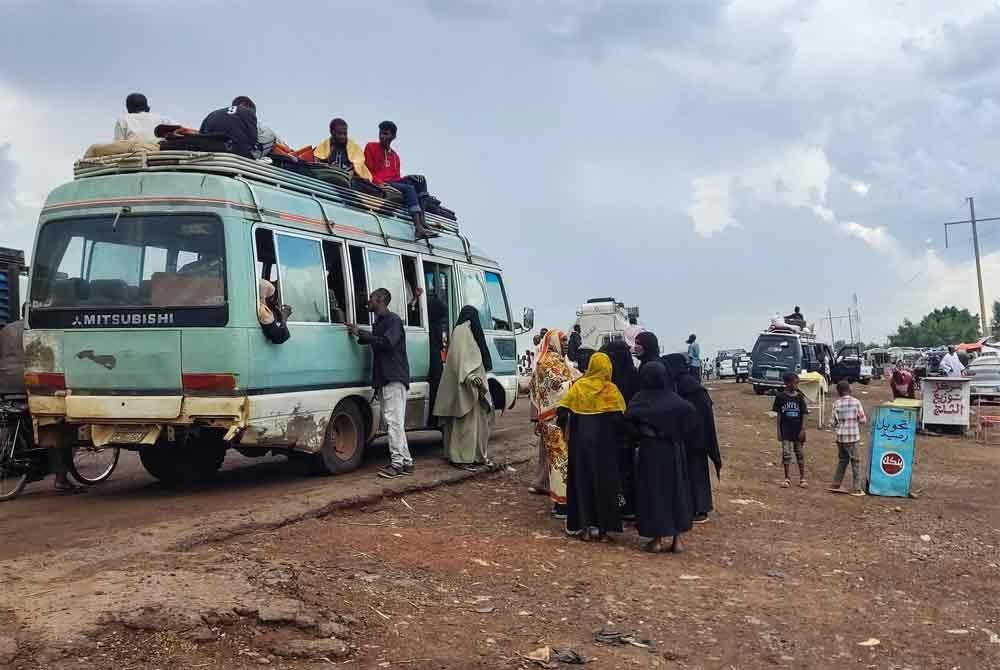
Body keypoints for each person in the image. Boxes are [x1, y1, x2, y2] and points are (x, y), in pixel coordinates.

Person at [0, 320, 81, 494]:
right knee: (58, 424)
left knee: (13, 416)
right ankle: (61, 480)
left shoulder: (7, 329)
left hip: (6, 384)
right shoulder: (41, 328)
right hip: (31, 382)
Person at [625, 362, 697, 554]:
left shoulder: (641, 399)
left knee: (654, 492)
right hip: (674, 450)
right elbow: (690, 414)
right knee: (676, 490)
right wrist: (676, 433)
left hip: (651, 451)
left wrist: (644, 432)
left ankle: (656, 540)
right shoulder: (675, 400)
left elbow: (629, 420)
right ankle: (677, 540)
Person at [556, 353, 626, 541]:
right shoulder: (610, 390)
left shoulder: (579, 387)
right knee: (605, 485)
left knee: (582, 483)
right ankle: (604, 531)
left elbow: (561, 411)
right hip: (605, 449)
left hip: (581, 448)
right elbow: (620, 419)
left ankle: (585, 529)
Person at [347, 289, 412, 479]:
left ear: (381, 300)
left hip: (394, 377)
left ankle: (397, 464)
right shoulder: (381, 322)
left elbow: (386, 343)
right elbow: (375, 342)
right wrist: (359, 333)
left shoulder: (393, 320)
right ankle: (406, 461)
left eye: (372, 299)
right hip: (385, 378)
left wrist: (361, 332)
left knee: (393, 422)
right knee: (395, 422)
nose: (368, 301)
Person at [663, 353, 722, 523]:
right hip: (699, 438)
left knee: (692, 474)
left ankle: (698, 510)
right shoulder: (693, 386)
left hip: (690, 438)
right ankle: (699, 508)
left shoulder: (680, 387)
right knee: (697, 474)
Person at [435, 306, 494, 470]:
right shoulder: (463, 331)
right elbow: (460, 361)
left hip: (473, 385)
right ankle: (461, 458)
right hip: (467, 386)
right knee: (465, 425)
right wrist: (471, 377)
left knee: (476, 424)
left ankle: (475, 457)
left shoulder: (462, 330)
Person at [363, 121, 437, 239]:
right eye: (381, 133)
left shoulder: (395, 156)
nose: (382, 136)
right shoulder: (371, 147)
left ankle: (423, 221)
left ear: (393, 136)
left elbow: (396, 177)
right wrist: (381, 184)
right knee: (409, 189)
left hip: (394, 182)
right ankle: (418, 228)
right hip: (381, 182)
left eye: (386, 134)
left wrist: (408, 178)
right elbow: (367, 171)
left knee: (420, 180)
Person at [529, 330, 575, 517]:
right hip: (554, 420)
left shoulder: (556, 360)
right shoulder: (548, 362)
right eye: (562, 340)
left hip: (555, 418)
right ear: (554, 341)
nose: (566, 343)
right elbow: (558, 387)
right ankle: (561, 504)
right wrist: (577, 383)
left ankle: (561, 501)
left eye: (567, 340)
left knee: (559, 462)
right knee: (559, 463)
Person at [603, 340, 640, 518]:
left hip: (624, 431)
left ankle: (626, 506)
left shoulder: (622, 377)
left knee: (625, 470)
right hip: (626, 431)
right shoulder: (630, 374)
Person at [830, 380, 867, 496]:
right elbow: (863, 420)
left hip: (840, 437)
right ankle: (856, 488)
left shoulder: (836, 403)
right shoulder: (856, 402)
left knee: (843, 460)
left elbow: (832, 422)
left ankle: (836, 484)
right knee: (855, 462)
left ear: (838, 392)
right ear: (849, 390)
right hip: (852, 437)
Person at [773, 371, 808, 488]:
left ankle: (802, 478)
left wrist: (803, 429)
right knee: (786, 453)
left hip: (798, 430)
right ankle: (787, 478)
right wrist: (778, 431)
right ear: (787, 384)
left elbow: (804, 413)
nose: (797, 386)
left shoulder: (799, 396)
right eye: (795, 383)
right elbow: (778, 415)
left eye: (798, 383)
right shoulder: (780, 397)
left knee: (799, 453)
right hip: (785, 430)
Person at [114, 93, 179, 143]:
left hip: (135, 158)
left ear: (128, 108)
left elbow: (118, 144)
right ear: (146, 107)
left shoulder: (123, 119)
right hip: (164, 155)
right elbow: (181, 131)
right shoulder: (164, 119)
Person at [257, 279, 290, 344]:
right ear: (263, 296)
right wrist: (284, 317)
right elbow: (279, 337)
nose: (275, 301)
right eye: (271, 297)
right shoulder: (263, 311)